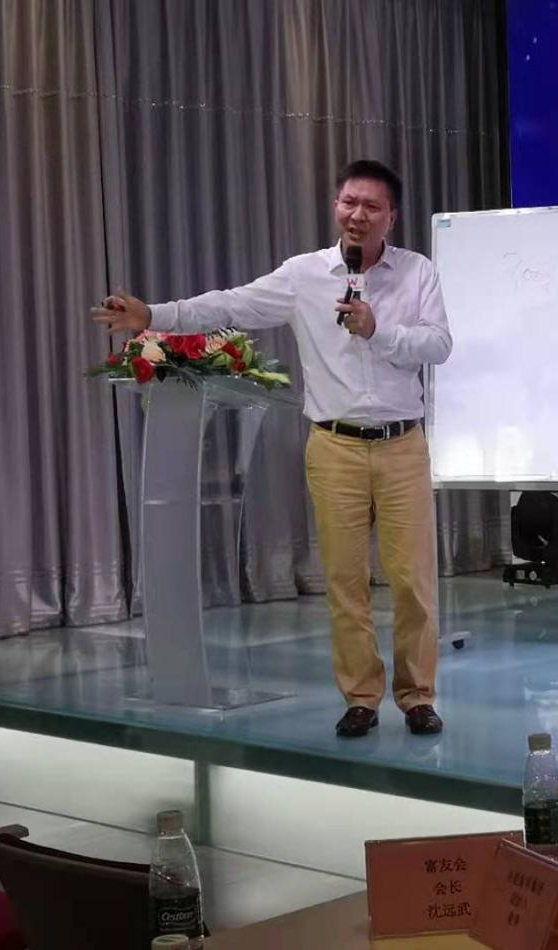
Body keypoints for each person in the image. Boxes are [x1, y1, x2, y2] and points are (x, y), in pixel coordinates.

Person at [91, 160, 451, 739]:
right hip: (333, 446)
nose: (357, 215)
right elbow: (229, 305)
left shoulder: (417, 272)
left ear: (392, 216)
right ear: (336, 206)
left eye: (371, 206)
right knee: (345, 582)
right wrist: (153, 315)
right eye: (348, 202)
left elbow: (437, 345)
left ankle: (417, 697)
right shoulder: (304, 275)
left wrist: (376, 329)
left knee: (413, 581)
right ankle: (361, 697)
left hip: (402, 444)